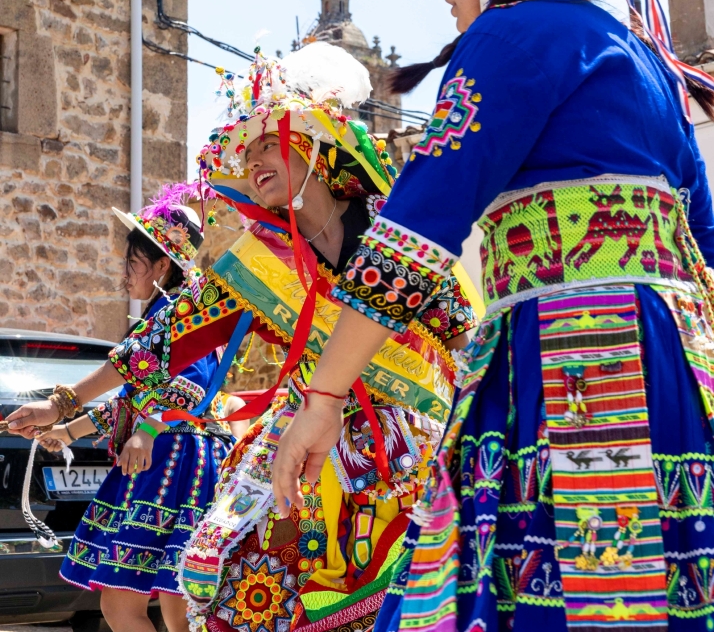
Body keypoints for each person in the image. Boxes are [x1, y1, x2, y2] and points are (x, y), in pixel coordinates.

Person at [270, 0, 714, 632]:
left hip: (572, 365)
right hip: (670, 366)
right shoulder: (646, 64)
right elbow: (705, 234)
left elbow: (422, 224)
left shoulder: (512, 41)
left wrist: (324, 396)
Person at [7, 42, 479, 632]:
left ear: (310, 145)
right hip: (303, 442)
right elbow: (164, 340)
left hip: (409, 436)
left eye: (266, 145)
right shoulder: (257, 262)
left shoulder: (391, 224)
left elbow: (457, 332)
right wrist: (63, 402)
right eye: (246, 152)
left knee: (415, 589)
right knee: (235, 583)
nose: (253, 161)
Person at [38, 186, 239, 632]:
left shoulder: (182, 312)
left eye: (133, 262)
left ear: (162, 265)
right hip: (174, 458)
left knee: (129, 605)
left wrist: (147, 430)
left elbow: (194, 384)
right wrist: (68, 431)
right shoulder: (166, 313)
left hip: (174, 462)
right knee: (176, 607)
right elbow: (135, 397)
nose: (124, 274)